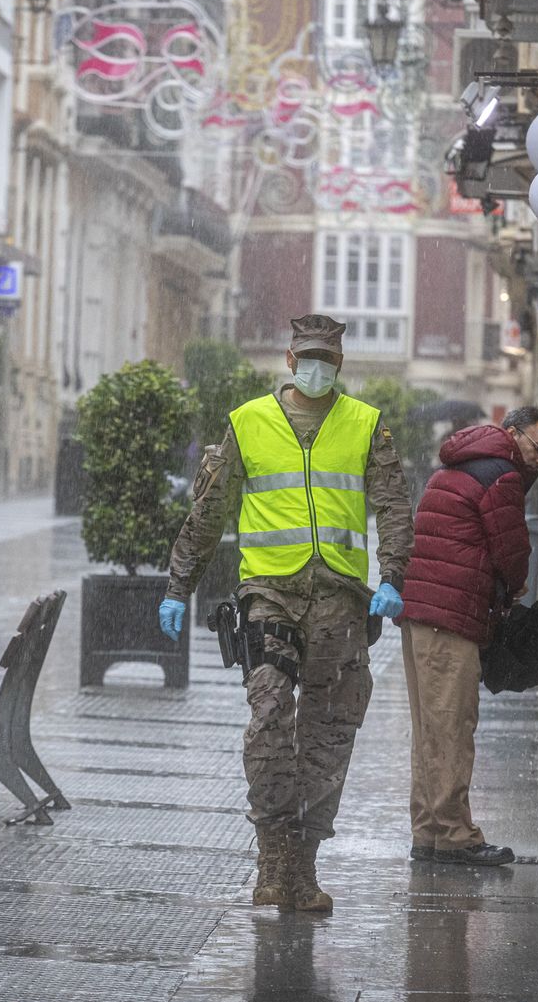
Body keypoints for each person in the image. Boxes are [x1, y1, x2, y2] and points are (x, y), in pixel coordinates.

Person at [158, 314, 415, 912]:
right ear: (291, 359)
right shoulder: (248, 422)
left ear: (339, 364)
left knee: (329, 733)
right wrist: (178, 584)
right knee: (270, 715)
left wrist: (392, 576)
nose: (318, 368)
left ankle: (304, 864)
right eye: (309, 357)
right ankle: (271, 852)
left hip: (340, 600)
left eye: (328, 358)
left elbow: (394, 508)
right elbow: (209, 511)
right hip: (269, 595)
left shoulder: (366, 425)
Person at [399, 405, 538, 865]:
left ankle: (430, 831)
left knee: (430, 729)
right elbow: (512, 549)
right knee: (452, 727)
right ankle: (455, 835)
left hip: (422, 613)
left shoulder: (456, 465)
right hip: (450, 617)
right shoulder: (501, 475)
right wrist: (515, 584)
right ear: (512, 432)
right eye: (537, 448)